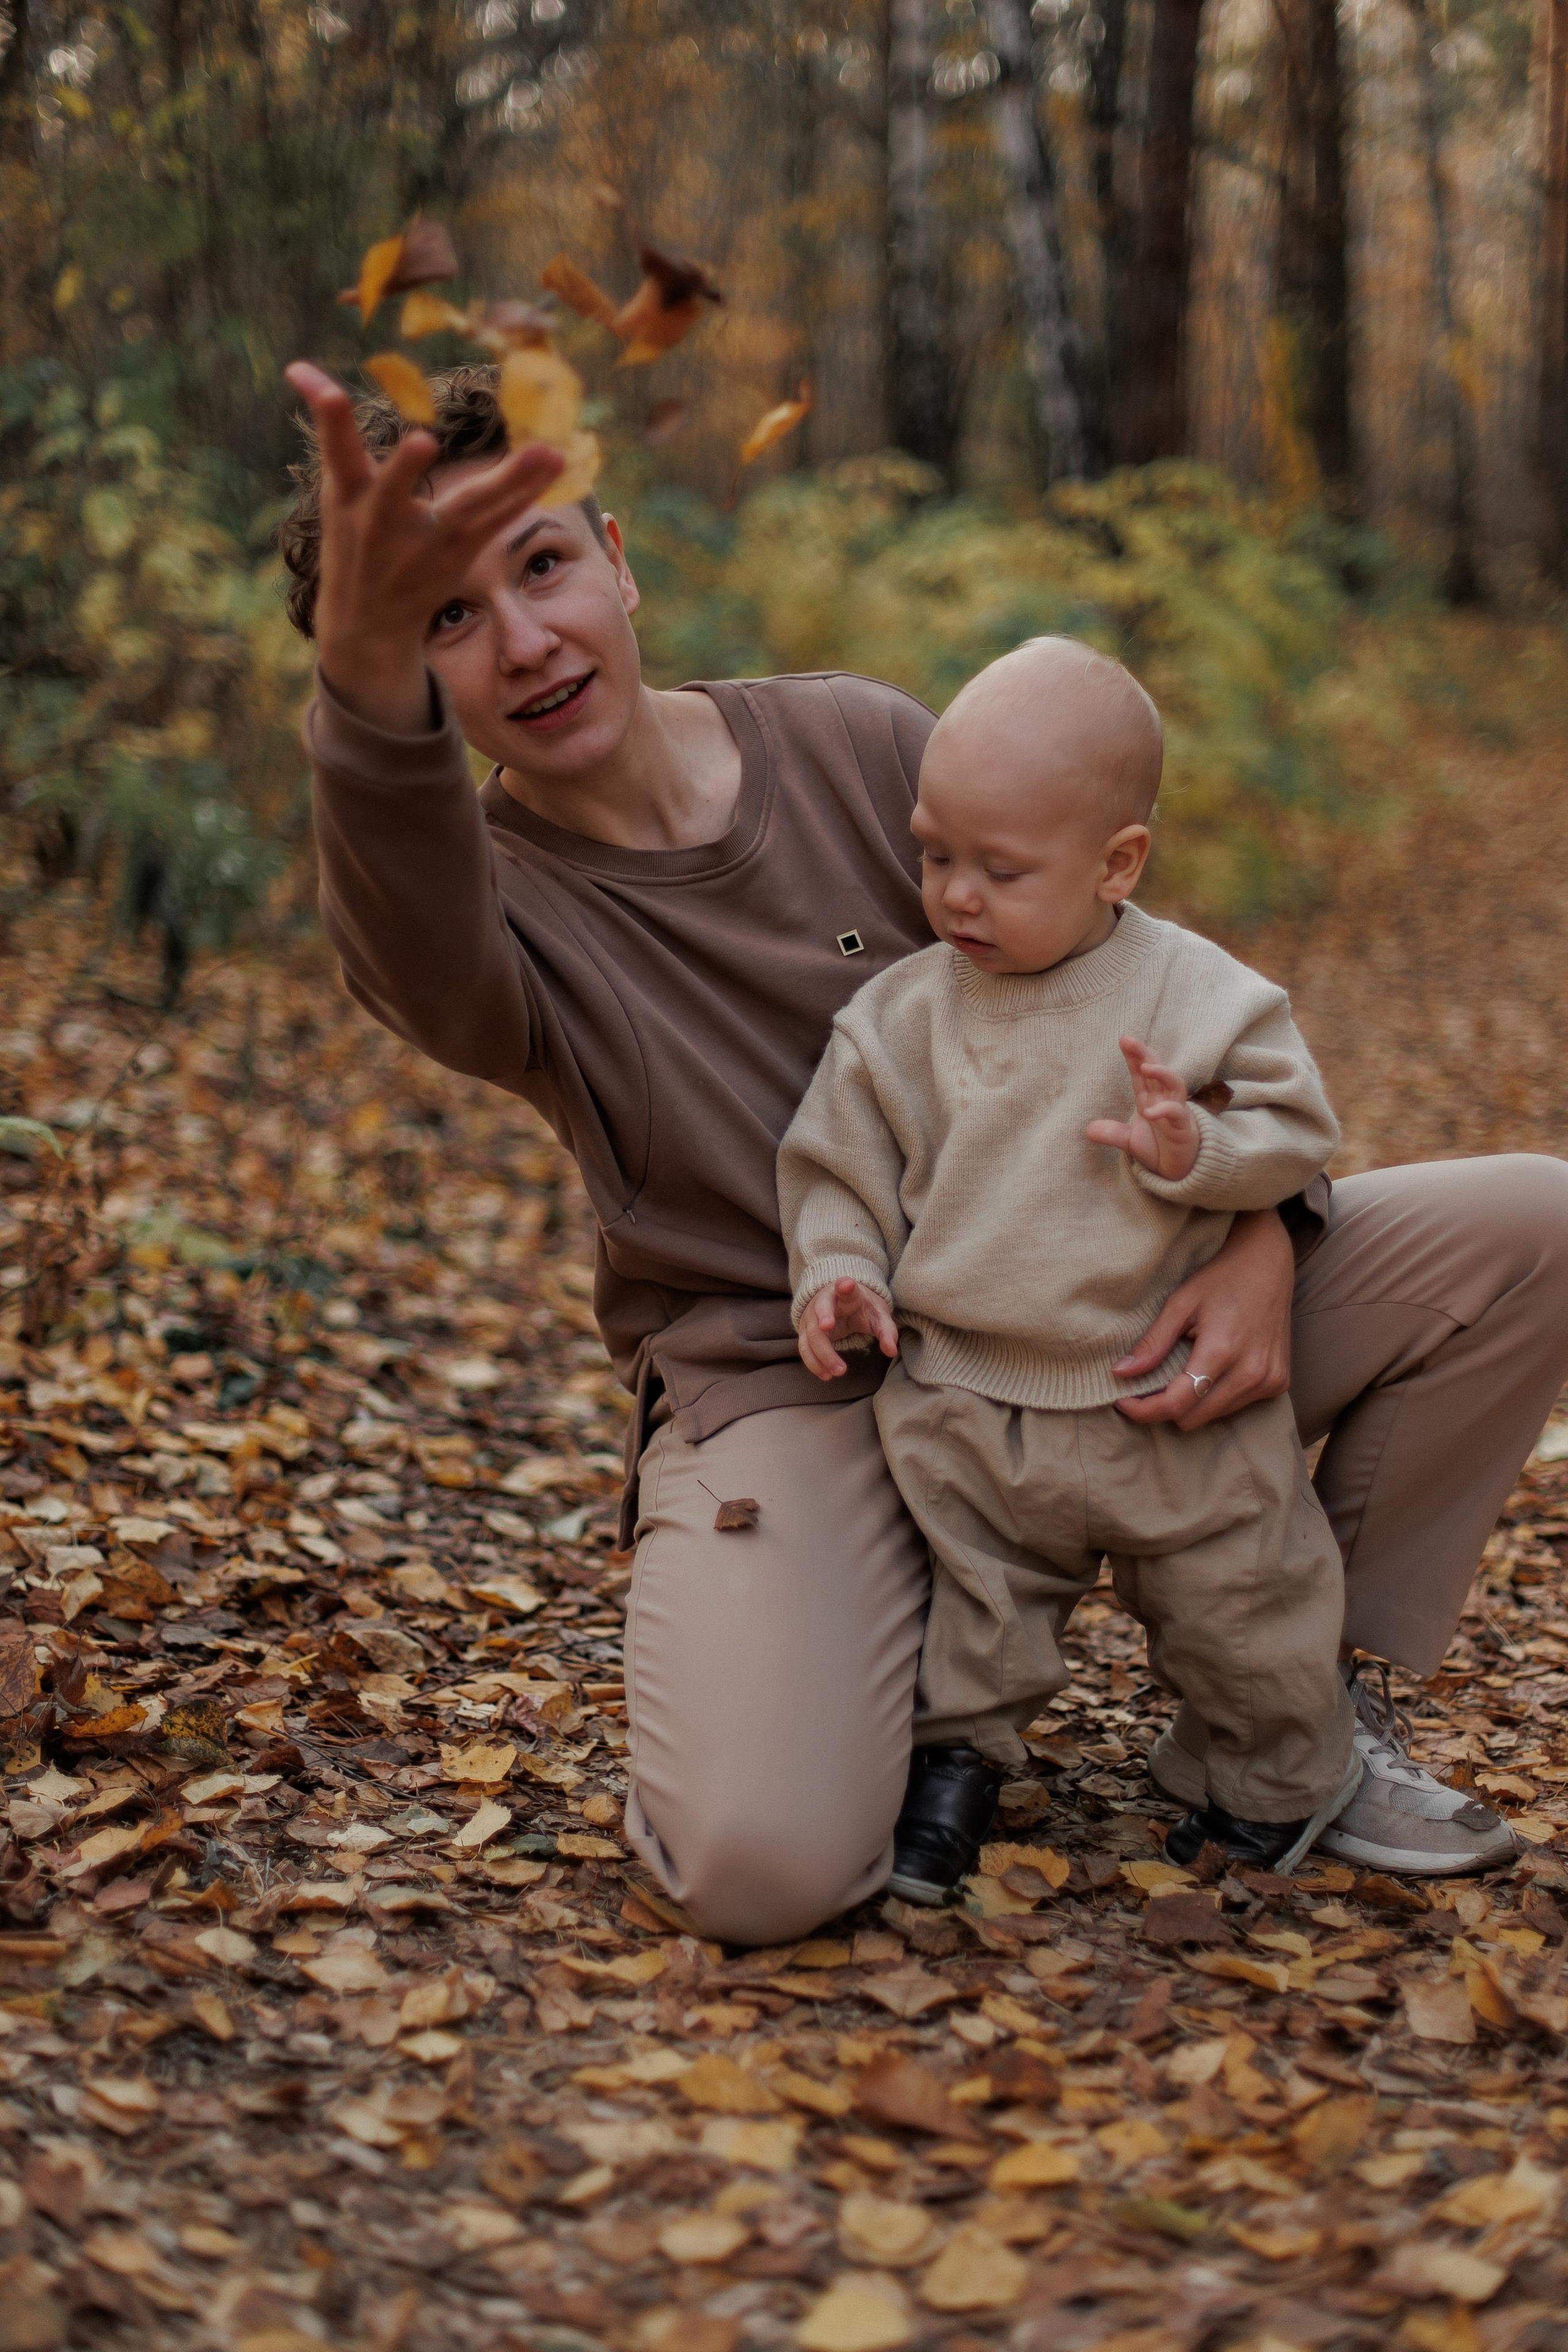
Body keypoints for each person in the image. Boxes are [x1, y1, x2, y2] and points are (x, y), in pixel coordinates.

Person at [282, 356, 1568, 1945]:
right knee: (761, 1870)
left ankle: (1301, 1716)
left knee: (1530, 1227)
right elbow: (405, 910)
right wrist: (362, 692)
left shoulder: (860, 746)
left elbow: (1147, 988)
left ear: (615, 557)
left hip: (1117, 1310)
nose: (525, 640)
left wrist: (1266, 1232)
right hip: (811, 1384)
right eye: (442, 620)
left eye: (540, 567)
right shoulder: (480, 921)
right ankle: (892, 1648)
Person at [782, 638, 1369, 1902]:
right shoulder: (901, 1016)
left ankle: (1267, 1783)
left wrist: (1201, 1151)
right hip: (968, 1398)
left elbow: (1295, 1127)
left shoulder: (1193, 992)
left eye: (1001, 870)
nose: (956, 896)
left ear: (1117, 863)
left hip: (1169, 1392)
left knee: (1247, 1603)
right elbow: (836, 1167)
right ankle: (953, 1771)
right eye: (934, 855)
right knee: (968, 1613)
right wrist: (839, 1270)